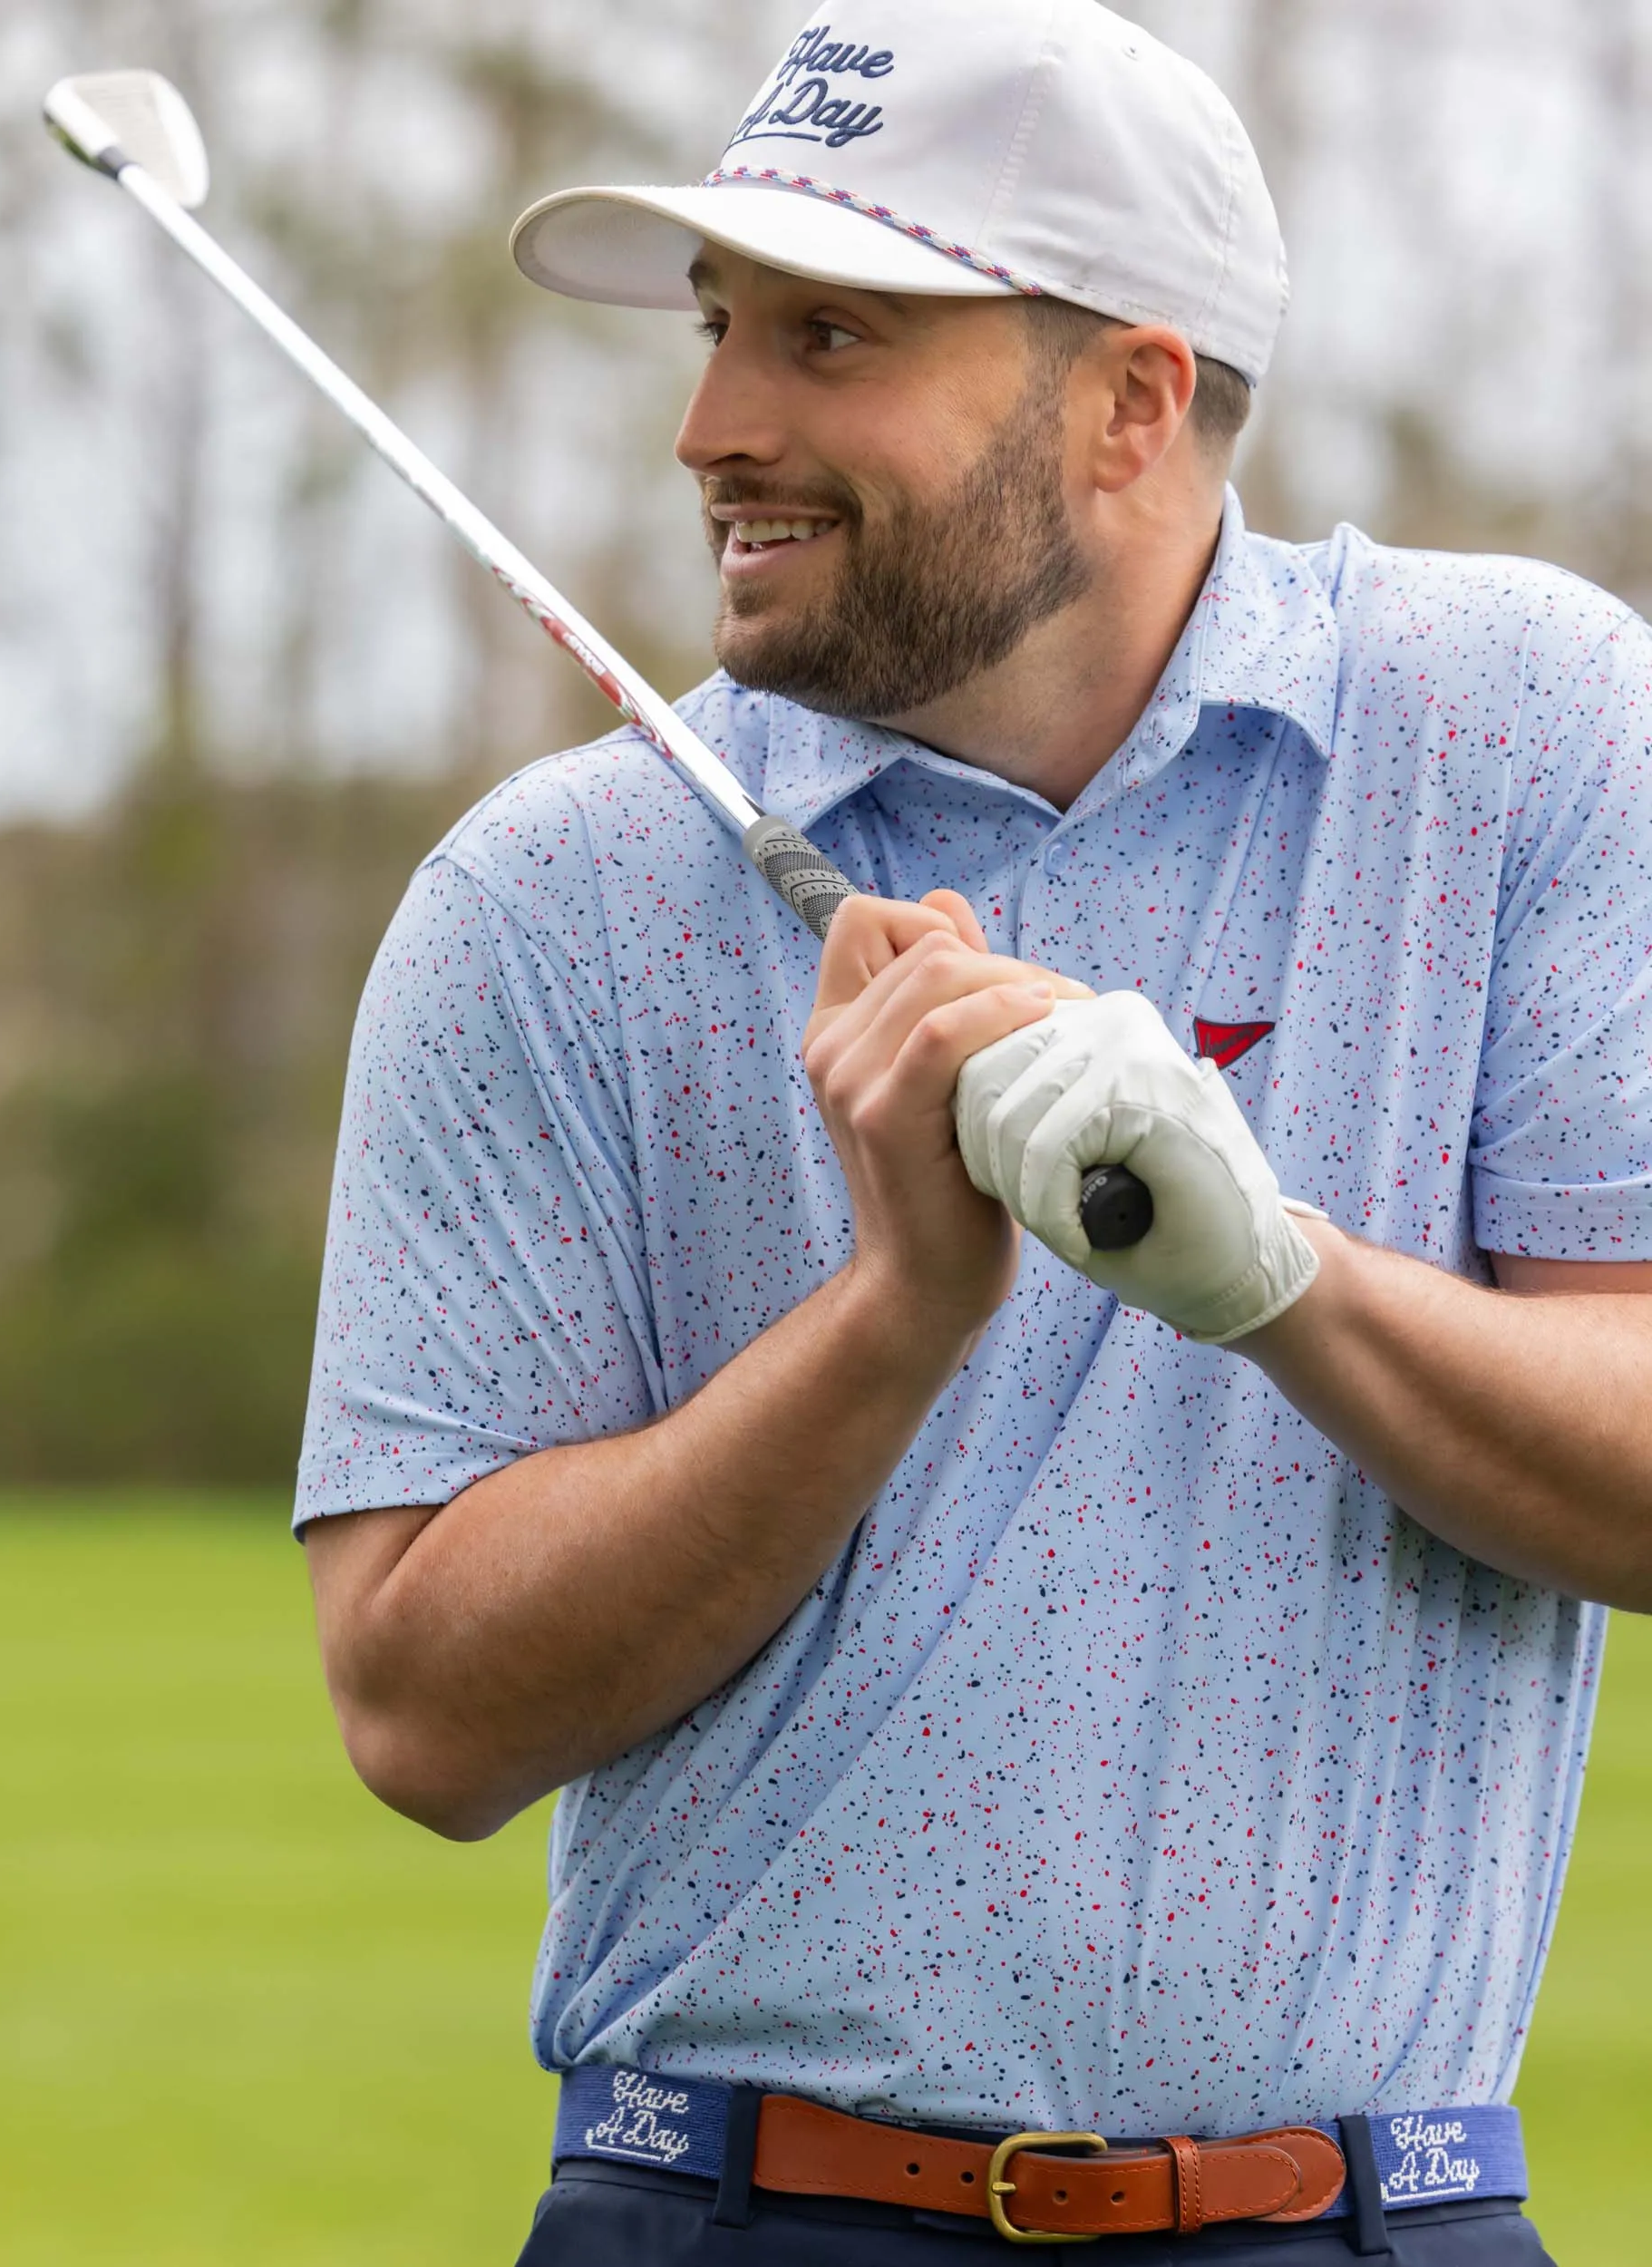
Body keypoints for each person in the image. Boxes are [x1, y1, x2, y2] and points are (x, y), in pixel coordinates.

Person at [296, 3, 1652, 2258]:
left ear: (1131, 398)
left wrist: (1273, 1280)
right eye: (726, 331)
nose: (709, 425)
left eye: (829, 336)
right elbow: (421, 1708)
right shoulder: (546, 895)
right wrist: (897, 1312)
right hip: (734, 2210)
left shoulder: (1519, 731)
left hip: (1366, 2217)